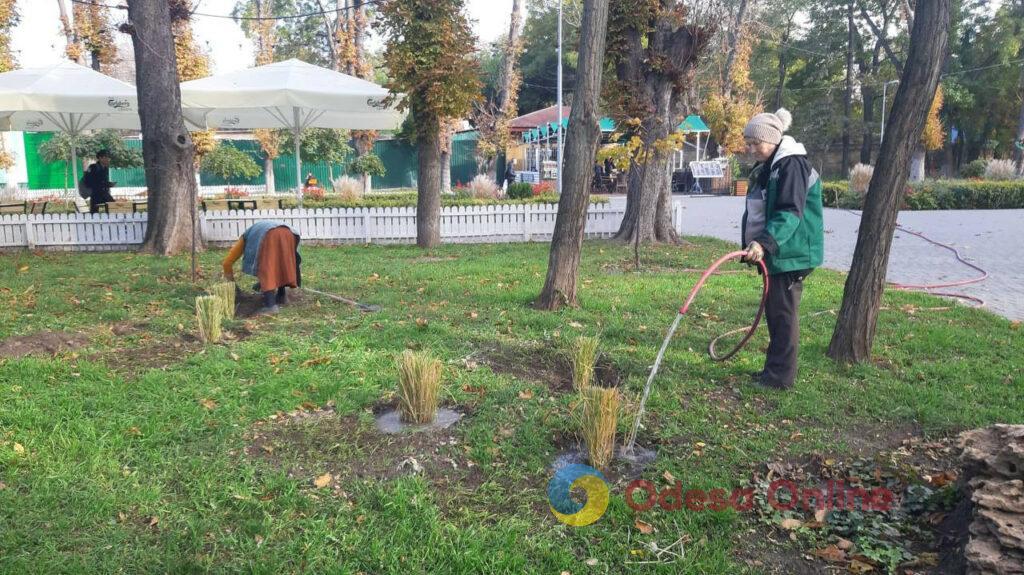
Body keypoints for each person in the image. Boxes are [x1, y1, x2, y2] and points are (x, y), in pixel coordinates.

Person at [740, 108, 824, 390]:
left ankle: (779, 379)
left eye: (756, 143)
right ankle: (772, 372)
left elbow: (789, 212)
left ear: (773, 138)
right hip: (781, 253)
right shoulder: (773, 165)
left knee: (783, 315)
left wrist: (764, 244)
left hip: (794, 252)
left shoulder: (791, 166)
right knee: (776, 312)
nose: (751, 149)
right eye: (748, 144)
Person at [222, 221, 302, 315]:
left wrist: (232, 285)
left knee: (266, 266)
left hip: (270, 234)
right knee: (282, 263)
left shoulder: (246, 238)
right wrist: (261, 282)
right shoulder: (254, 233)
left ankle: (270, 306)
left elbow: (227, 263)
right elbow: (276, 265)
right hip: (289, 233)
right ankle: (281, 296)